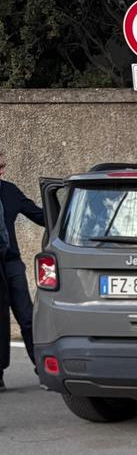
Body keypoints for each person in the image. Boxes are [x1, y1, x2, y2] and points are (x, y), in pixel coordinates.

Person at [0, 148, 45, 390]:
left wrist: (69, 217)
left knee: (27, 317)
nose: (2, 171)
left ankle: (42, 369)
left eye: (2, 166)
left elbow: (39, 215)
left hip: (11, 262)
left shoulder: (10, 191)